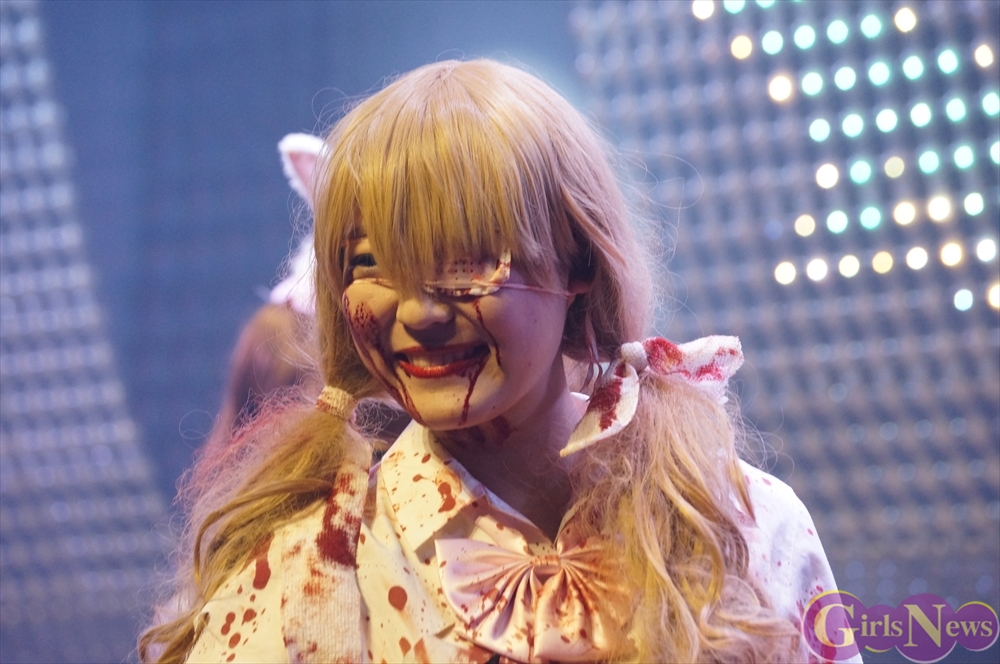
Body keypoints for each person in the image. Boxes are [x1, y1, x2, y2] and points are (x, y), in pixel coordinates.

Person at [141, 59, 853, 663]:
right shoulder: (297, 575)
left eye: (466, 258)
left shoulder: (739, 521)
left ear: (578, 260)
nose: (419, 312)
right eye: (372, 263)